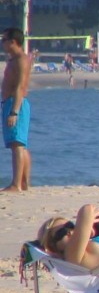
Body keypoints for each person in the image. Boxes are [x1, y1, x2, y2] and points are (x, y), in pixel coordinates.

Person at [1, 28, 32, 192]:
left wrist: (14, 111)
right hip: (10, 102)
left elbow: (20, 86)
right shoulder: (13, 59)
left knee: (17, 144)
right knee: (19, 143)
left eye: (4, 39)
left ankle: (16, 184)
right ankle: (24, 183)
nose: (2, 43)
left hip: (16, 103)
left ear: (13, 41)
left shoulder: (21, 59)